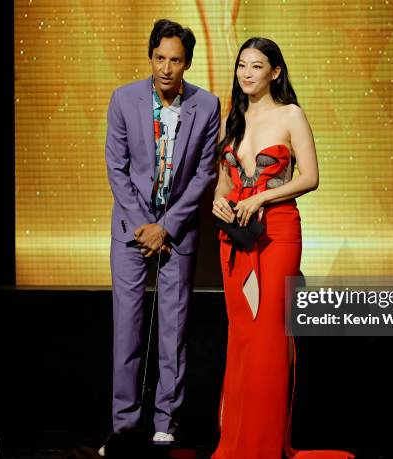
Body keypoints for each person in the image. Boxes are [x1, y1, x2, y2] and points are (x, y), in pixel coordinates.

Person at [211, 38, 353, 459]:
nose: (247, 73)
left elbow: (310, 177)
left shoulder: (291, 115)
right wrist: (221, 200)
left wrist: (262, 198)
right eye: (241, 65)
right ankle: (236, 442)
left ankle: (265, 444)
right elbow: (224, 181)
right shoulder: (232, 120)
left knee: (271, 336)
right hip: (234, 236)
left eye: (256, 66)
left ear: (275, 72)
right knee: (241, 337)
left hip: (278, 233)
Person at [102, 18, 220, 454]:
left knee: (173, 331)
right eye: (159, 58)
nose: (166, 68)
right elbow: (116, 167)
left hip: (178, 231)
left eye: (175, 60)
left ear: (187, 63)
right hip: (131, 230)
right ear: (149, 57)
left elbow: (205, 172)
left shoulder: (206, 106)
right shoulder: (123, 99)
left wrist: (167, 226)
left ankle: (165, 423)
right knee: (127, 331)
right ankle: (123, 427)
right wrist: (143, 225)